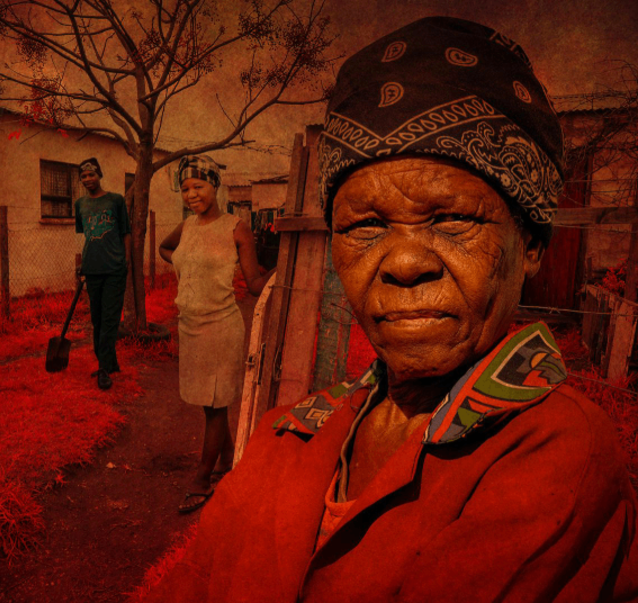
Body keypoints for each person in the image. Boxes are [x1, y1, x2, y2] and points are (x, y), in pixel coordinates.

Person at [143, 17, 638, 601]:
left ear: (529, 243)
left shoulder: (555, 450)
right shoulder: (291, 433)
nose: (403, 263)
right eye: (365, 226)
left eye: (452, 218)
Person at [159, 155, 274, 514]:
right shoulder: (186, 227)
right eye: (185, 189)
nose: (191, 194)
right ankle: (226, 458)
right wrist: (187, 263)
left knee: (214, 405)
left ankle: (202, 480)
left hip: (221, 327)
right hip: (190, 326)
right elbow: (165, 248)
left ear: (215, 186)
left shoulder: (236, 228)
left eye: (199, 186)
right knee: (209, 403)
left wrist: (283, 268)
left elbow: (254, 284)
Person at [74, 158, 131, 391]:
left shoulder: (115, 200)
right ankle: (110, 363)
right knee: (97, 320)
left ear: (100, 175)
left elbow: (125, 232)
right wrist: (83, 266)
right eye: (83, 176)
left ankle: (104, 369)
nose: (88, 179)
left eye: (92, 174)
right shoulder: (80, 204)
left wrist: (126, 261)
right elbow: (86, 235)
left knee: (109, 320)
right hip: (92, 269)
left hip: (115, 268)